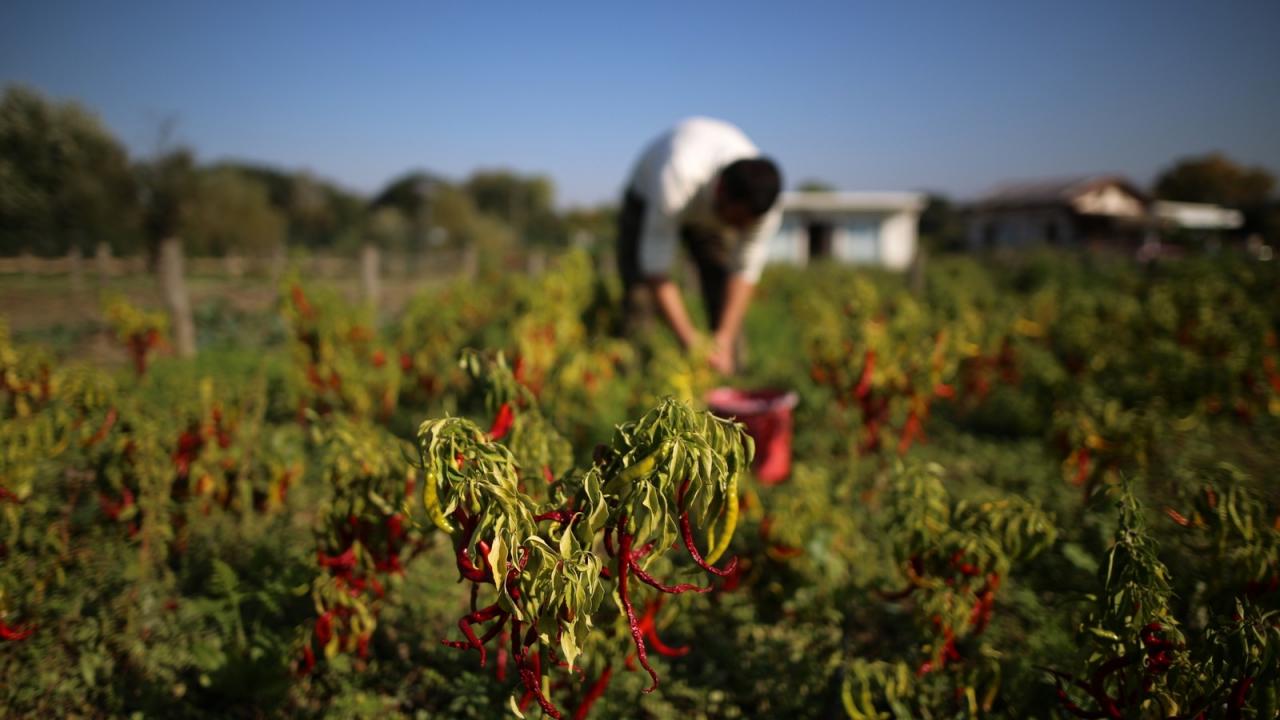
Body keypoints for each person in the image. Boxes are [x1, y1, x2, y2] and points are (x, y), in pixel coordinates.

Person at [616, 117, 782, 375]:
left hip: (708, 207)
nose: (738, 231)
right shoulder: (677, 178)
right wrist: (690, 341)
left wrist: (724, 338)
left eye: (745, 225)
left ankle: (731, 375)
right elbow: (655, 269)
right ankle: (636, 373)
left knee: (720, 282)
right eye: (736, 221)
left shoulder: (764, 206)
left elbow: (744, 273)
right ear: (721, 192)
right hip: (646, 198)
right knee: (640, 294)